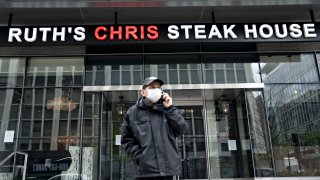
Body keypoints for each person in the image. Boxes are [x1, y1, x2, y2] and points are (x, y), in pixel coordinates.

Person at [121, 77, 189, 180]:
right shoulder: (132, 113)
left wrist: (170, 109)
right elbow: (127, 140)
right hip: (145, 172)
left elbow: (182, 129)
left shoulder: (167, 109)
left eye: (158, 88)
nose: (156, 90)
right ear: (143, 92)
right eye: (152, 87)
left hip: (167, 171)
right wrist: (140, 157)